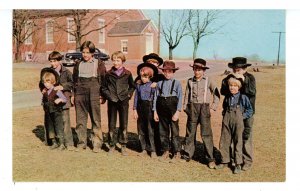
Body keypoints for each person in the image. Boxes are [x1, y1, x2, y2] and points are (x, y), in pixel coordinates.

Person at [182, 58, 220, 169]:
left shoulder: (209, 80)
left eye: (200, 70)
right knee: (190, 133)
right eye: (195, 69)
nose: (197, 72)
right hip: (192, 108)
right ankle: (187, 155)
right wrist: (185, 107)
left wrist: (213, 108)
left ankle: (210, 158)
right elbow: (186, 95)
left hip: (204, 108)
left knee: (206, 134)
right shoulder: (190, 81)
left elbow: (216, 94)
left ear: (204, 71)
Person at [220, 57, 256, 171]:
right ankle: (228, 160)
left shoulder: (250, 78)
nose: (237, 71)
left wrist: (243, 81)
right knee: (228, 137)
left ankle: (246, 161)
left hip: (246, 112)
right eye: (235, 68)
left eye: (239, 68)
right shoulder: (230, 78)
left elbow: (251, 92)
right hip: (231, 112)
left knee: (245, 137)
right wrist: (229, 82)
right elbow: (223, 92)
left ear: (244, 68)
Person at [72, 41, 106, 153]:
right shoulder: (78, 64)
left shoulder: (99, 63)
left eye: (88, 52)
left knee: (96, 119)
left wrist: (102, 95)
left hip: (94, 92)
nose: (85, 55)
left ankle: (97, 144)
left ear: (93, 53)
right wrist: (73, 94)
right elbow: (74, 80)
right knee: (80, 119)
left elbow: (103, 80)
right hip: (80, 93)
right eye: (83, 52)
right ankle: (81, 143)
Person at [215, 74, 253, 174]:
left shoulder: (243, 97)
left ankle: (238, 164)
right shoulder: (227, 97)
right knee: (224, 140)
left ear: (239, 87)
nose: (232, 87)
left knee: (238, 141)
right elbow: (224, 107)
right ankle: (224, 161)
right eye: (231, 85)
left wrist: (242, 117)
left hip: (238, 121)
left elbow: (250, 110)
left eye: (235, 86)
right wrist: (225, 115)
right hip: (227, 119)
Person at [39, 51, 75, 151]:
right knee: (52, 122)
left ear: (59, 60)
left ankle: (68, 143)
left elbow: (72, 83)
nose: (53, 64)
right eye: (51, 61)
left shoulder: (66, 72)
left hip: (63, 99)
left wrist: (62, 86)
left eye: (55, 61)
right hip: (52, 102)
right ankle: (53, 142)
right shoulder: (48, 71)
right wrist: (43, 89)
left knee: (65, 121)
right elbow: (41, 82)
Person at [101, 51, 135, 156]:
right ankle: (111, 145)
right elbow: (103, 88)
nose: (116, 63)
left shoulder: (127, 73)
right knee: (112, 124)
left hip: (123, 101)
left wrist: (129, 95)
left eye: (118, 60)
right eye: (114, 60)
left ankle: (123, 145)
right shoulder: (108, 74)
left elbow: (132, 86)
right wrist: (109, 96)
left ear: (123, 61)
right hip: (112, 101)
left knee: (123, 124)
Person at [153, 60, 183, 162]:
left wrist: (178, 112)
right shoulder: (159, 84)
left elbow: (180, 98)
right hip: (161, 110)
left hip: (173, 110)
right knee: (163, 132)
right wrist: (155, 111)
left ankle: (176, 152)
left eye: (170, 71)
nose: (167, 73)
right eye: (165, 71)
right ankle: (165, 151)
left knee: (174, 132)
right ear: (162, 72)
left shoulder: (177, 83)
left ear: (173, 72)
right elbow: (155, 98)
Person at [133, 63, 158, 158]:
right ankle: (143, 148)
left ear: (150, 76)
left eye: (145, 76)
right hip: (140, 107)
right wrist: (135, 110)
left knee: (150, 129)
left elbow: (155, 98)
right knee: (141, 129)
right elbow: (136, 98)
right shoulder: (138, 85)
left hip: (149, 107)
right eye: (142, 76)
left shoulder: (153, 86)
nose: (143, 78)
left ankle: (152, 150)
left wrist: (154, 110)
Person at [40, 68, 67, 150]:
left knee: (58, 127)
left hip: (56, 112)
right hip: (48, 113)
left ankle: (62, 144)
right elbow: (43, 100)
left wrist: (60, 100)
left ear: (53, 82)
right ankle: (54, 142)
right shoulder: (45, 92)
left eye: (48, 82)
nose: (46, 84)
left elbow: (64, 99)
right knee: (50, 127)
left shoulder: (56, 91)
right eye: (45, 82)